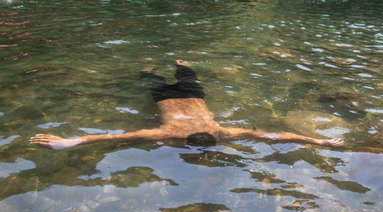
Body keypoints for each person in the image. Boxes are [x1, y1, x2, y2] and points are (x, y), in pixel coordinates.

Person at [30, 60, 343, 149]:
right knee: (167, 75)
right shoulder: (215, 132)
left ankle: (159, 66)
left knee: (172, 73)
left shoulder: (217, 131)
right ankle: (160, 67)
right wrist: (318, 140)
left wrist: (318, 139)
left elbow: (115, 137)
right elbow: (273, 137)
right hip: (179, 99)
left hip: (186, 97)